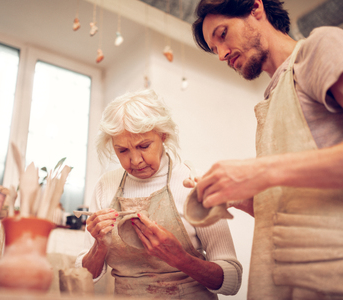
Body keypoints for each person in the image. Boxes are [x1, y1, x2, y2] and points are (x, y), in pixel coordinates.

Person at [191, 0, 343, 299]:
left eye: (222, 34)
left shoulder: (320, 48)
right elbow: (304, 208)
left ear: (256, 9)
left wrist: (261, 171)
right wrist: (249, 199)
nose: (220, 54)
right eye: (213, 48)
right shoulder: (271, 103)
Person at [75, 89, 242, 299]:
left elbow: (232, 280)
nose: (135, 160)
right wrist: (99, 245)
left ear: (163, 135)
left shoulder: (194, 182)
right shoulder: (106, 185)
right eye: (123, 151)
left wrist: (180, 259)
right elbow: (85, 277)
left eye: (144, 146)